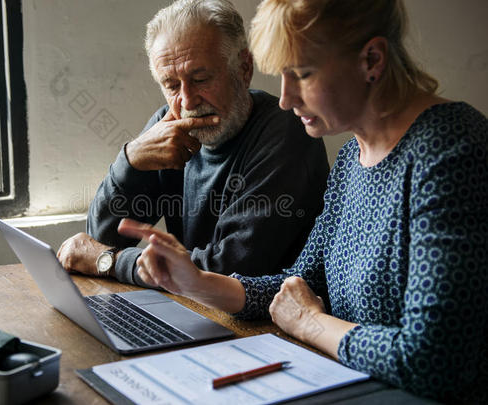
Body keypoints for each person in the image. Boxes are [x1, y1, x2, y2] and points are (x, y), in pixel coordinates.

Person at [117, 0, 488, 402]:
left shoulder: (451, 150)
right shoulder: (352, 157)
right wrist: (197, 282)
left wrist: (312, 324)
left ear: (372, 60)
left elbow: (435, 360)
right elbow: (300, 282)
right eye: (281, 76)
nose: (285, 99)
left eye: (303, 74)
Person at [57, 0, 329, 286]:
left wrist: (111, 262)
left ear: (244, 68)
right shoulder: (168, 126)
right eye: (172, 85)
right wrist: (130, 159)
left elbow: (228, 271)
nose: (187, 101)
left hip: (266, 322)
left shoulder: (287, 133)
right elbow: (101, 238)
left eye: (200, 79)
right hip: (194, 308)